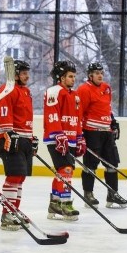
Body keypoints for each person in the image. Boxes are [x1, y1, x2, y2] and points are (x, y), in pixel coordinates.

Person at [77, 61, 126, 208]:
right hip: (91, 132)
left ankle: (112, 194)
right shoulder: (84, 89)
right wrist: (80, 133)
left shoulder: (106, 88)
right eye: (97, 73)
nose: (100, 75)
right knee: (90, 165)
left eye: (101, 73)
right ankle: (88, 194)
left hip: (106, 133)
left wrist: (112, 121)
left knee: (112, 164)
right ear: (90, 75)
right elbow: (79, 112)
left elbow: (106, 108)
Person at [0, 59, 35, 230]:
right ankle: (7, 213)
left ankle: (15, 210)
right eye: (24, 73)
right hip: (10, 138)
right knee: (13, 176)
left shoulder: (26, 91)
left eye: (27, 72)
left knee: (20, 178)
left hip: (24, 138)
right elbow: (3, 112)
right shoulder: (7, 89)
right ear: (16, 74)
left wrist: (31, 139)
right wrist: (8, 133)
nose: (27, 76)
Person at [43, 60, 83, 221]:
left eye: (74, 76)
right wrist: (58, 134)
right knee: (66, 169)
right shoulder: (53, 91)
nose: (73, 79)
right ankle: (66, 203)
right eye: (70, 76)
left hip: (71, 139)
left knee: (64, 170)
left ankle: (55, 202)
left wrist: (80, 137)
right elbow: (51, 114)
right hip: (57, 138)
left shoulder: (75, 96)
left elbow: (78, 118)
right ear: (61, 77)